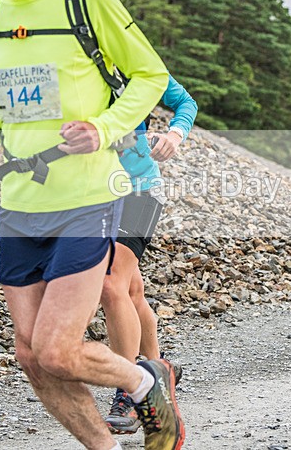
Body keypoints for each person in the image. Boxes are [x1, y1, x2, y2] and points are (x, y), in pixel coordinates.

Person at [0, 0, 184, 448]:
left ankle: (145, 382)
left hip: (88, 199)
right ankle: (107, 446)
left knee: (57, 349)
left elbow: (150, 76)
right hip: (20, 206)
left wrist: (103, 129)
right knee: (30, 356)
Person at [101, 75, 197, 434]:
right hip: (91, 194)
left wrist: (174, 135)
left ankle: (129, 389)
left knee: (110, 286)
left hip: (140, 190)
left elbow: (186, 102)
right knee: (130, 292)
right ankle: (159, 373)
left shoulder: (136, 60)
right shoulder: (71, 60)